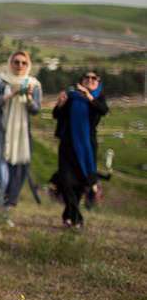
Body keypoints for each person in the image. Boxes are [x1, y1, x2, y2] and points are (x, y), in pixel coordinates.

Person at [0, 51, 42, 216]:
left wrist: (28, 97)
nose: (20, 66)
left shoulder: (34, 84)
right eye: (16, 62)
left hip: (21, 138)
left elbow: (36, 110)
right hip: (1, 134)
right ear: (10, 63)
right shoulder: (1, 80)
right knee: (2, 176)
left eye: (24, 63)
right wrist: (10, 95)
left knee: (16, 175)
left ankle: (4, 211)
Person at [50, 71, 108, 229]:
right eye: (86, 77)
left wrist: (88, 96)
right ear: (81, 81)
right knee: (66, 182)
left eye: (94, 78)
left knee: (80, 184)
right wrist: (60, 104)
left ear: (98, 82)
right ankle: (78, 218)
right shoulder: (72, 96)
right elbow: (56, 115)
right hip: (67, 145)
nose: (90, 80)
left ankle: (69, 217)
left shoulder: (98, 97)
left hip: (87, 147)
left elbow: (103, 110)